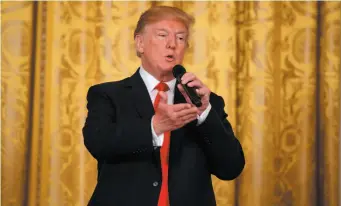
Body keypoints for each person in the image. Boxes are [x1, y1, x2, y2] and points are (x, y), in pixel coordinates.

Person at [82, 5, 245, 206]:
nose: (172, 44)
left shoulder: (206, 102)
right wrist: (154, 127)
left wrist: (204, 114)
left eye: (180, 38)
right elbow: (98, 143)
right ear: (140, 43)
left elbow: (231, 168)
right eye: (162, 35)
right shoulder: (108, 95)